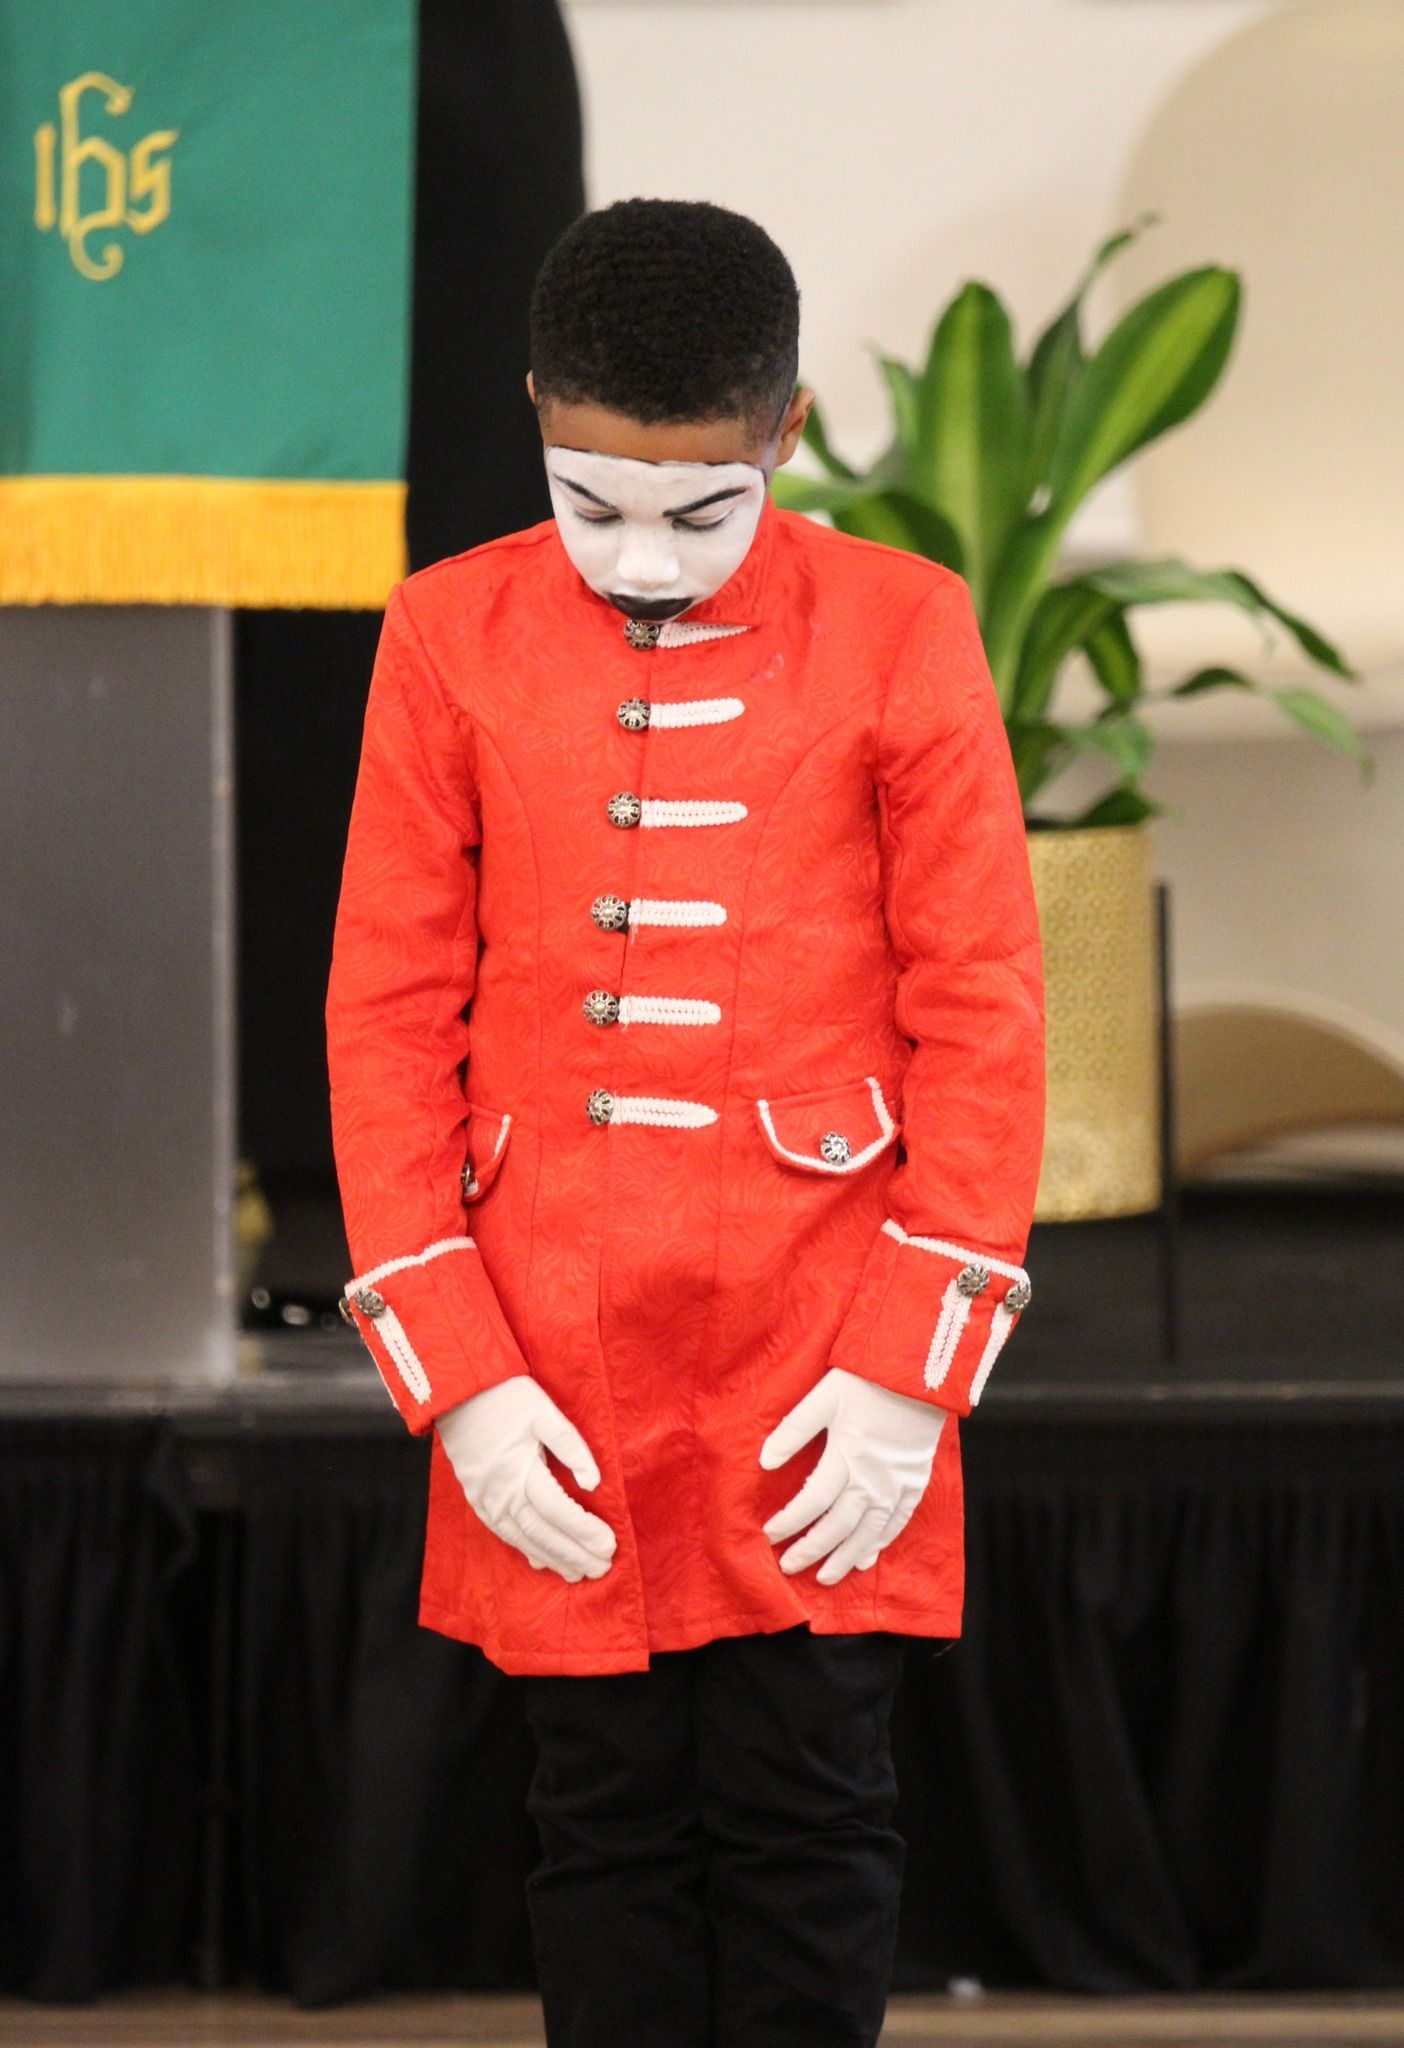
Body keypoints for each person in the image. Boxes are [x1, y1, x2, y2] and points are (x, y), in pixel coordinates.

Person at [325, 196, 1045, 2048]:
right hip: (545, 1339)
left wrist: (912, 1370)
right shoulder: (447, 629)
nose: (642, 555)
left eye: (702, 511)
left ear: (786, 435)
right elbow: (389, 1012)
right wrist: (460, 1380)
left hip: (823, 1328)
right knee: (602, 1814)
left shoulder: (905, 627)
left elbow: (983, 1007)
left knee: (813, 1808)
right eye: (590, 502)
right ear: (535, 419)